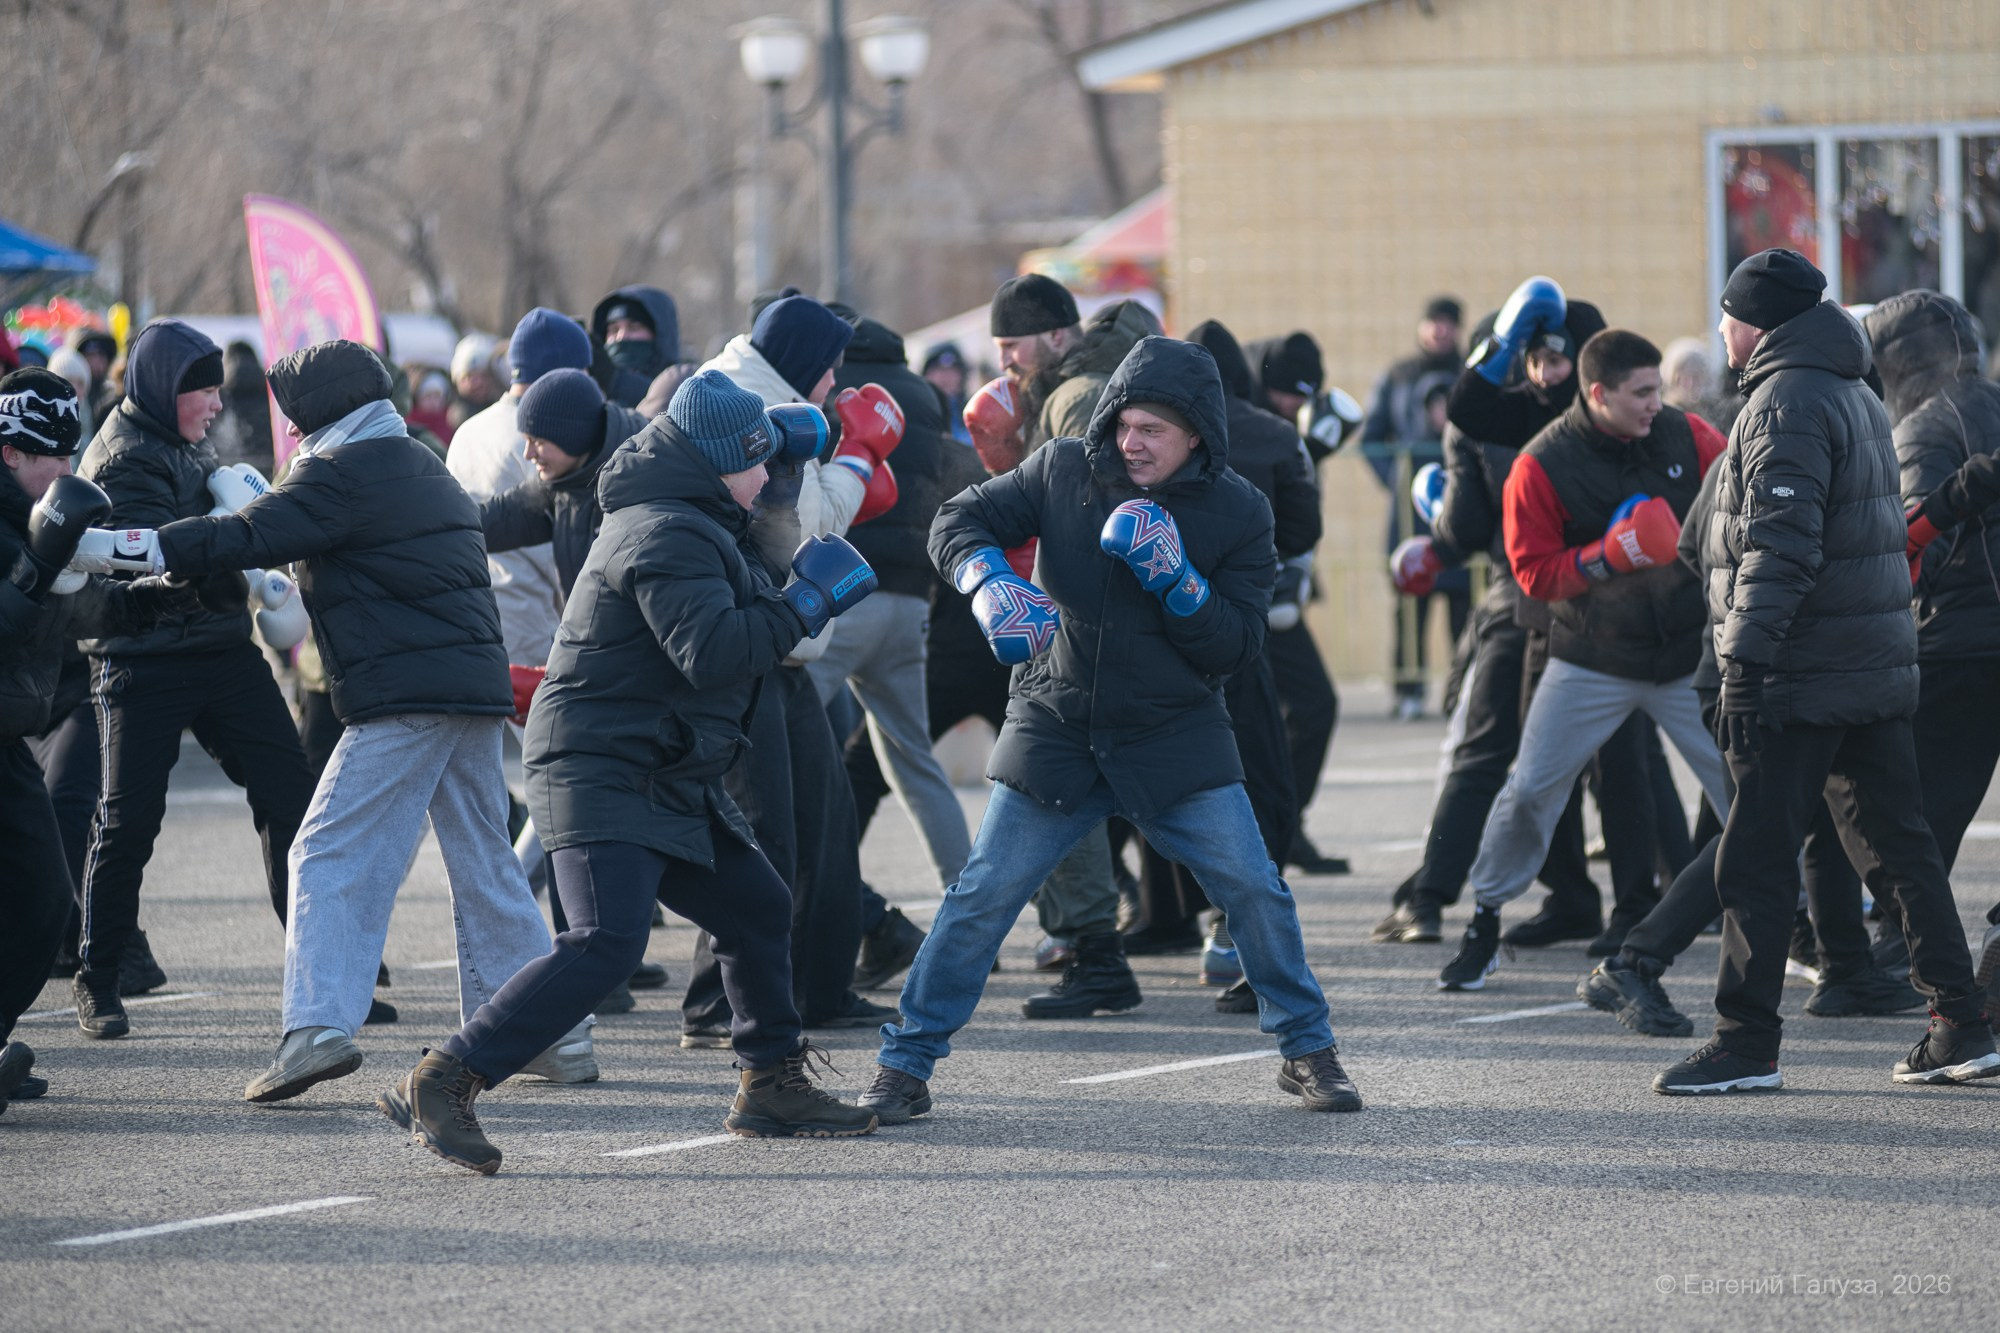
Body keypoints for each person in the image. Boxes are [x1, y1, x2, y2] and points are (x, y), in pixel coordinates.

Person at [381, 371, 884, 1172]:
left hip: (658, 759)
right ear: (721, 463)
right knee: (607, 942)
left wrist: (782, 494)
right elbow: (717, 650)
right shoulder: (664, 531)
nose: (767, 473)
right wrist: (808, 605)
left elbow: (754, 587)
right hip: (599, 760)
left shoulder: (700, 514)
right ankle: (444, 1078)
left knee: (756, 904)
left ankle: (772, 1082)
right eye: (760, 463)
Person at [857, 335, 1363, 1125]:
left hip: (1173, 732)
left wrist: (1182, 584)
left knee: (1255, 887)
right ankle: (904, 1062)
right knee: (981, 895)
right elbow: (957, 518)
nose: (1131, 440)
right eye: (1125, 423)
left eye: (1153, 429)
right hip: (1058, 721)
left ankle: (1307, 1046)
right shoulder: (1062, 468)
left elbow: (1236, 646)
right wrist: (987, 583)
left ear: (1196, 432)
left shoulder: (1239, 510)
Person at [126, 339, 587, 1101]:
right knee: (487, 868)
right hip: (471, 690)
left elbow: (243, 537)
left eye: (297, 420)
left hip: (405, 694)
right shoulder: (417, 460)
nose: (293, 434)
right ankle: (552, 1033)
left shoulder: (339, 473)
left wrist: (136, 547)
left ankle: (314, 1030)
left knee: (324, 848)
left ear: (325, 414)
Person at [1654, 250, 1998, 1094]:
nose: (1722, 329)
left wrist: (1743, 666)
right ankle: (1960, 1021)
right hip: (1868, 668)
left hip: (1798, 674)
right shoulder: (1852, 389)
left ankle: (1745, 1043)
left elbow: (1777, 548)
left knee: (1757, 859)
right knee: (1903, 854)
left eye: (1729, 314)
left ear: (1757, 320)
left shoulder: (1786, 402)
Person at [1435, 328, 1730, 992]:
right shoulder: (1542, 464)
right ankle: (1484, 919)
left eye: (1658, 388)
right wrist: (1606, 554)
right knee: (1533, 788)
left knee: (1744, 783)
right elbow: (1532, 575)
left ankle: (1799, 919)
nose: (1658, 402)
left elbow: (1732, 511)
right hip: (1592, 656)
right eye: (1642, 392)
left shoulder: (1690, 437)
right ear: (1599, 394)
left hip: (1683, 654)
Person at [66, 319, 319, 1039]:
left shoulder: (188, 438)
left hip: (218, 649)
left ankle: (322, 971)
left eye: (215, 387)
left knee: (290, 796)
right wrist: (237, 536)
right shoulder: (118, 458)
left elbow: (226, 529)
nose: (213, 402)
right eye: (199, 390)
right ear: (160, 387)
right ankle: (98, 975)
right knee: (128, 820)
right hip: (139, 656)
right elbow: (156, 562)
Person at [679, 292, 891, 1040]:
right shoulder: (753, 408)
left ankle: (822, 988)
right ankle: (714, 1001)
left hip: (788, 643)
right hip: (750, 641)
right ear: (807, 363)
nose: (837, 383)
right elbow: (803, 527)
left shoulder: (778, 394)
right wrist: (861, 458)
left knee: (824, 819)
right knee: (762, 827)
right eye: (832, 368)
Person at [1, 371, 211, 1113]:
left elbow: (79, 608)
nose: (64, 471)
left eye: (69, 455)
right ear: (6, 451)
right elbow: (19, 608)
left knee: (44, 903)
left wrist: (153, 601)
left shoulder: (39, 519)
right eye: (46, 457)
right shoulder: (23, 528)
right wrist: (37, 567)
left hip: (11, 736)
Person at [1372, 291, 1609, 945]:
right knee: (1587, 757)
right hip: (1609, 595)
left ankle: (1428, 897)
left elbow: (1465, 529)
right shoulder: (1603, 409)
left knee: (1487, 751)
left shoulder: (1491, 418)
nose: (1543, 368)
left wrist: (1436, 513)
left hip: (1527, 594)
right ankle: (1621, 898)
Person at [978, 275, 1146, 1000]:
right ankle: (1107, 936)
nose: (1006, 362)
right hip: (1107, 614)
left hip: (1084, 619)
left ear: (1053, 334)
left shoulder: (1076, 398)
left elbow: (1087, 507)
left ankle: (1094, 951)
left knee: (1050, 777)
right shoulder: (1090, 382)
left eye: (1012, 344)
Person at [1863, 291, 2000, 990]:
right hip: (1976, 640)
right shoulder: (1995, 403)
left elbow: (1918, 545)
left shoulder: (1918, 429)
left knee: (1916, 814)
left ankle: (1902, 945)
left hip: (1957, 646)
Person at [810, 307, 970, 893]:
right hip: (911, 602)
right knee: (916, 764)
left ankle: (814, 905)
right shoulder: (926, 397)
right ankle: (964, 902)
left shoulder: (835, 394)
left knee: (772, 752)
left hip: (841, 598)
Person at [1246, 332, 1348, 877]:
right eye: (1286, 394)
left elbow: (1301, 514)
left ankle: (1287, 825)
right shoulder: (1237, 417)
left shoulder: (1289, 428)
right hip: (1232, 597)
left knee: (1315, 705)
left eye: (1303, 397)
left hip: (1278, 587)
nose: (1294, 405)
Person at [1364, 297, 1469, 719]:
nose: (1440, 331)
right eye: (1434, 323)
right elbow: (1373, 436)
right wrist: (1398, 479)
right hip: (1409, 516)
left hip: (1463, 507)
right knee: (1410, 604)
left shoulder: (1471, 374)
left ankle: (1464, 689)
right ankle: (1408, 692)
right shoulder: (1399, 375)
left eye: (1448, 324)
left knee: (1465, 604)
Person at [589, 285, 680, 409]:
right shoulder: (594, 383)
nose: (621, 337)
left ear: (659, 335)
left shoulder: (683, 381)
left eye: (634, 328)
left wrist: (615, 380)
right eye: (614, 330)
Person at [448, 332, 504, 433]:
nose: (477, 383)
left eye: (483, 375)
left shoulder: (501, 414)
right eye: (469, 376)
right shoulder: (453, 420)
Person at [923, 342, 972, 443]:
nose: (945, 377)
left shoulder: (974, 413)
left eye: (952, 370)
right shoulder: (920, 416)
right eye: (938, 370)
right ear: (926, 376)